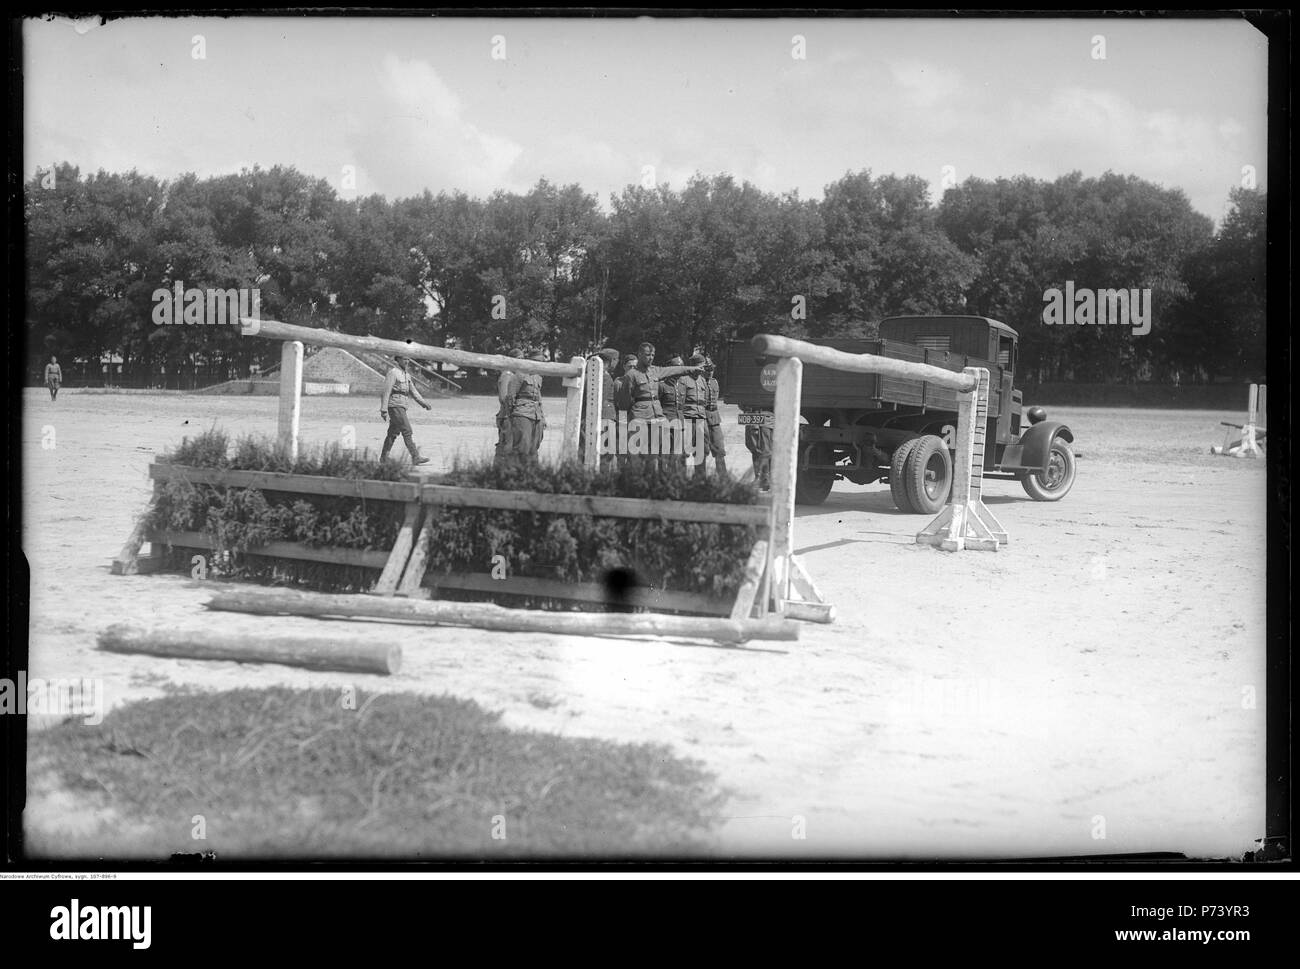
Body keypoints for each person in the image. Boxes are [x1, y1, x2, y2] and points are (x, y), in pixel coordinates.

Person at [622, 343, 701, 468]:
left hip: (656, 417)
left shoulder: (656, 371)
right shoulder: (631, 375)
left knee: (653, 456)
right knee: (637, 457)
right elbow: (624, 401)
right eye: (648, 355)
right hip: (639, 418)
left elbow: (675, 369)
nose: (651, 357)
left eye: (653, 355)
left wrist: (693, 369)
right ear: (640, 355)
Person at [380, 354, 431, 465]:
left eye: (408, 359)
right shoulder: (393, 373)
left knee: (393, 433)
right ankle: (415, 456)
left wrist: (424, 403)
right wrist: (383, 409)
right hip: (394, 406)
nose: (407, 361)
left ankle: (384, 458)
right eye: (404, 359)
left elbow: (413, 391)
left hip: (402, 406)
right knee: (407, 430)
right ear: (398, 359)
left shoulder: (407, 375)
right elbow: (386, 391)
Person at [578, 348, 621, 471]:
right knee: (605, 455)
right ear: (612, 360)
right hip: (604, 419)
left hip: (588, 418)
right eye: (616, 360)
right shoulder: (605, 377)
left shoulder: (588, 375)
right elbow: (599, 400)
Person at [506, 350, 547, 465]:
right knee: (522, 446)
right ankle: (517, 474)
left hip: (536, 415)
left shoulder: (539, 377)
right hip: (522, 414)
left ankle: (532, 474)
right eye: (538, 362)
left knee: (535, 447)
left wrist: (543, 418)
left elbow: (539, 399)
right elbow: (510, 397)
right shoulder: (519, 375)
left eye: (542, 362)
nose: (540, 364)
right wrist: (512, 416)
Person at [678, 354, 710, 474]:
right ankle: (682, 478)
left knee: (702, 450)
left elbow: (705, 400)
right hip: (688, 419)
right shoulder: (684, 379)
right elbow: (680, 402)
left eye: (702, 367)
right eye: (699, 367)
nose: (701, 369)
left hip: (701, 418)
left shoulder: (702, 380)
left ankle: (700, 479)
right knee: (684, 450)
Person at [494, 347, 523, 468]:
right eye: (520, 359)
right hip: (506, 415)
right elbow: (503, 397)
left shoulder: (514, 375)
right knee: (505, 445)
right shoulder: (507, 374)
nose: (522, 362)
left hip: (510, 415)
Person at [701, 356, 728, 476]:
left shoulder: (715, 382)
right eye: (707, 369)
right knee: (702, 450)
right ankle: (701, 479)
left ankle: (723, 478)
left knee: (720, 449)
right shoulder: (698, 382)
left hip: (715, 418)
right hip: (702, 418)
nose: (710, 371)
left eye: (711, 369)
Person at [659, 355, 686, 468]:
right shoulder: (661, 385)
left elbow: (682, 406)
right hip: (665, 425)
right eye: (676, 367)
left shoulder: (683, 386)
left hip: (679, 424)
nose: (679, 370)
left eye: (681, 367)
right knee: (664, 454)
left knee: (677, 454)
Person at [744, 405, 774, 491]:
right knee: (753, 447)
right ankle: (759, 478)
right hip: (751, 414)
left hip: (767, 416)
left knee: (766, 449)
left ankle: (766, 479)